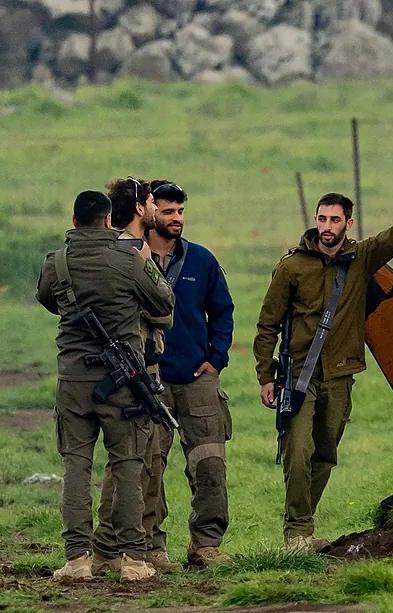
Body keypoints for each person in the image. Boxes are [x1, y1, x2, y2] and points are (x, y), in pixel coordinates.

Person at [253, 193, 393, 551]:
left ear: (348, 224)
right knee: (297, 450)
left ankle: (303, 524)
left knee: (325, 452)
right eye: (322, 219)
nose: (326, 227)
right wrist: (265, 375)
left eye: (334, 220)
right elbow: (267, 324)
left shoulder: (361, 259)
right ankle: (297, 533)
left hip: (340, 374)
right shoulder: (292, 267)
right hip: (297, 375)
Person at [36, 191, 174, 581]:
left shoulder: (57, 262)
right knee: (128, 465)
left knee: (76, 466)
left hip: (74, 382)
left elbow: (50, 301)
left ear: (75, 220)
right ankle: (133, 559)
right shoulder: (129, 259)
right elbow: (164, 302)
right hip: (122, 382)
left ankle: (77, 558)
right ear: (109, 218)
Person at [146, 180, 235, 567]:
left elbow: (223, 310)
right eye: (168, 212)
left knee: (210, 462)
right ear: (151, 214)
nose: (176, 218)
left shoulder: (201, 259)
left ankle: (206, 545)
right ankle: (152, 547)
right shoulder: (134, 258)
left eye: (181, 211)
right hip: (150, 377)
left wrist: (216, 358)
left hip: (198, 376)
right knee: (149, 465)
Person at [92, 178, 180, 574]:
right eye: (150, 201)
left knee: (144, 458)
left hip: (136, 361)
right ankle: (112, 547)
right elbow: (164, 311)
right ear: (139, 207)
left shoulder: (116, 249)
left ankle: (126, 546)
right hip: (133, 364)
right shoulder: (131, 253)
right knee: (130, 459)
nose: (156, 208)